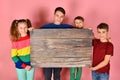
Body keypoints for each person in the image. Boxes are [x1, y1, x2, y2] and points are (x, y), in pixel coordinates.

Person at [40, 7, 73, 80]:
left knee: (57, 76)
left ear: (63, 17)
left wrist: (88, 31)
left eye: (61, 16)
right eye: (57, 15)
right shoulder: (45, 27)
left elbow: (79, 31)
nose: (59, 18)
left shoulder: (67, 27)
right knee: (47, 76)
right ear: (54, 15)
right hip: (47, 57)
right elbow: (36, 36)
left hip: (59, 56)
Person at [70, 16, 84, 80]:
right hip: (73, 54)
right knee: (72, 70)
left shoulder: (85, 32)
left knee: (79, 70)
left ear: (83, 23)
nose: (78, 24)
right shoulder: (73, 31)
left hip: (81, 55)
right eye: (76, 23)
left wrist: (90, 30)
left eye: (80, 22)